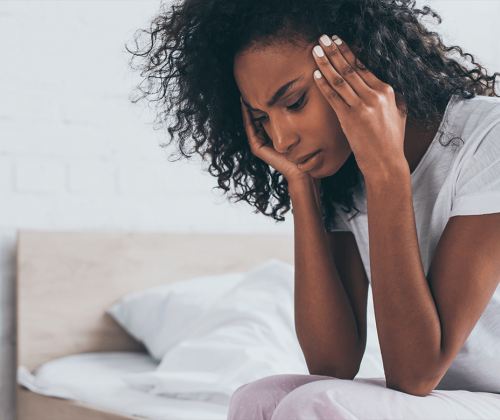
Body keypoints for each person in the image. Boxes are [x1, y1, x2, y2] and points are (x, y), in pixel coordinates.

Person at [129, 0, 500, 418]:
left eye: (294, 102)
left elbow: (415, 373)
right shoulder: (345, 176)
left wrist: (386, 172)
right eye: (261, 118)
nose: (281, 138)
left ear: (361, 66)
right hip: (456, 397)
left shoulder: (489, 140)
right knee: (256, 398)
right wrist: (302, 186)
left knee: (317, 404)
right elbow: (332, 363)